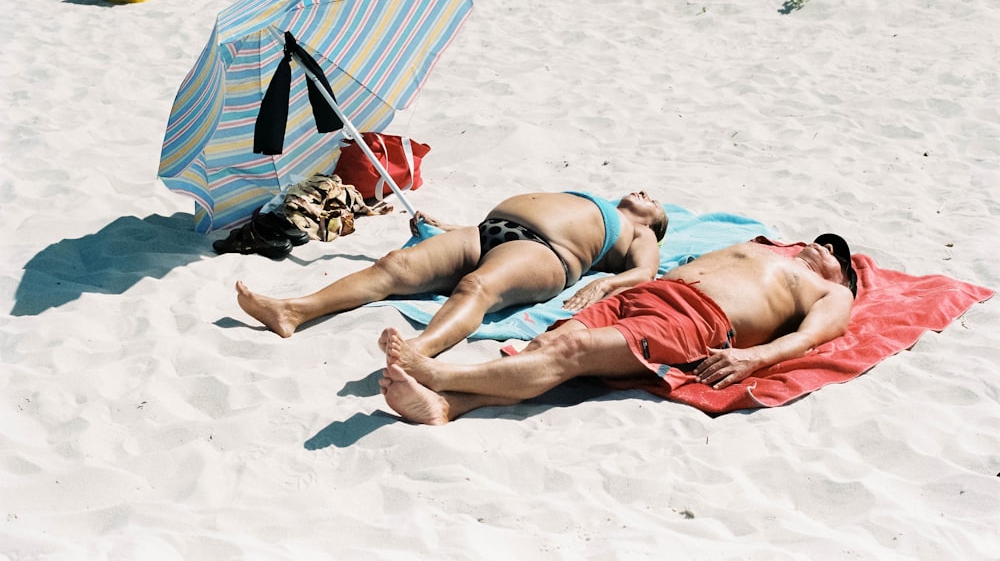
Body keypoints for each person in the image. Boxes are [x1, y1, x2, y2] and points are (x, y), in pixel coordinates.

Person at [378, 234, 859, 425]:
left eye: (839, 257)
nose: (826, 250)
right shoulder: (767, 249)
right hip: (646, 296)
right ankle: (447, 406)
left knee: (576, 351)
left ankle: (439, 375)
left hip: (697, 319)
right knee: (549, 344)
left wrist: (753, 358)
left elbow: (809, 338)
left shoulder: (832, 292)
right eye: (823, 242)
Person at [236, 190, 668, 357]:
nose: (646, 193)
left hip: (542, 252)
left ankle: (419, 350)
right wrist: (445, 226)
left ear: (655, 223)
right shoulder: (600, 201)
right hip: (484, 231)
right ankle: (294, 310)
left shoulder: (640, 232)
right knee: (394, 265)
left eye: (656, 203)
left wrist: (607, 282)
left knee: (476, 287)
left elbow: (645, 272)